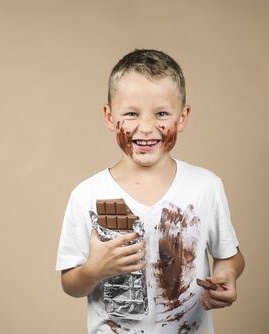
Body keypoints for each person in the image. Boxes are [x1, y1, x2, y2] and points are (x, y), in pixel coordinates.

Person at [55, 49, 245, 334]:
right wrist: (95, 270)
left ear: (183, 117)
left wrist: (227, 274)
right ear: (109, 116)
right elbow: (70, 283)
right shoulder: (86, 194)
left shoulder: (206, 186)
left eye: (162, 113)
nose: (146, 128)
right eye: (131, 113)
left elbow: (230, 255)